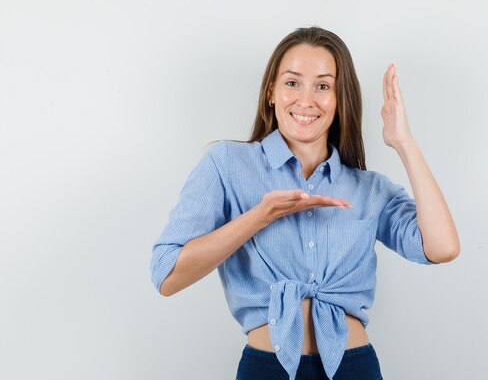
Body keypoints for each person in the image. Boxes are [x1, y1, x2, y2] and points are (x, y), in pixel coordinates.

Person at [149, 26, 460, 380]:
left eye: (323, 86)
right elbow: (167, 274)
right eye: (292, 83)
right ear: (271, 92)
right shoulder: (225, 165)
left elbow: (443, 248)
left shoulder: (368, 188)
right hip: (267, 369)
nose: (306, 99)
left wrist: (404, 142)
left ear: (340, 98)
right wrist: (259, 217)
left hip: (354, 367)